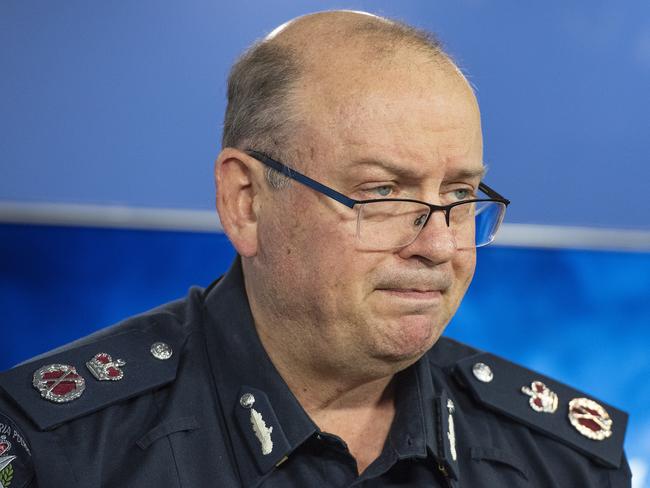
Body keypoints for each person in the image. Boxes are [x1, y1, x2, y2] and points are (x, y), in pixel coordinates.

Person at [0, 10, 631, 487]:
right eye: (384, 192)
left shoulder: (564, 461)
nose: (439, 245)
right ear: (246, 201)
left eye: (461, 194)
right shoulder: (58, 449)